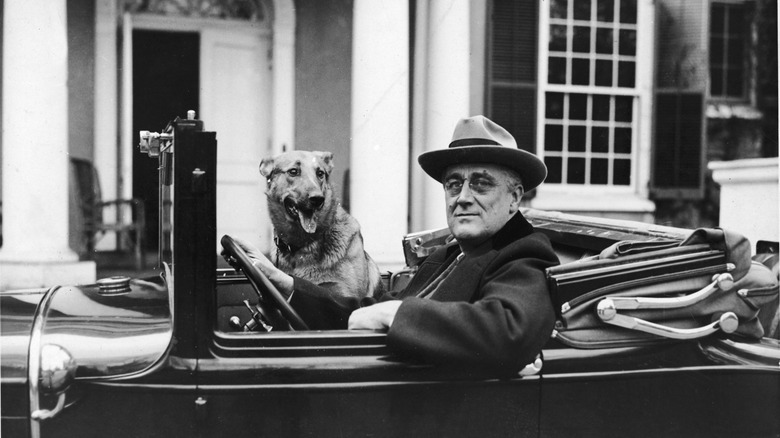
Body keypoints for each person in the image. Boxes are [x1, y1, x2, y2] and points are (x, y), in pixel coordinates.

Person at [237, 115, 559, 376]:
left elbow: (509, 332)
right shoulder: (446, 256)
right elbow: (367, 313)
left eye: (480, 184)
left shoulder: (525, 252)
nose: (462, 198)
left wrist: (397, 314)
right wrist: (289, 287)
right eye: (453, 184)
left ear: (514, 198)